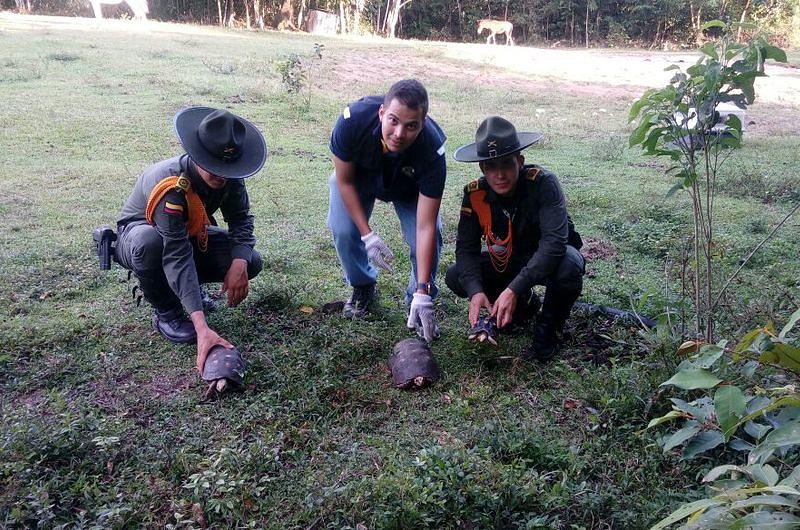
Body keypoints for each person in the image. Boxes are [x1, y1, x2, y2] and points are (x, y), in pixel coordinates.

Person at [115, 106, 267, 373]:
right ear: (197, 156)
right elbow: (176, 252)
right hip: (142, 237)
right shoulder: (172, 185)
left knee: (251, 260)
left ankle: (190, 292)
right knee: (150, 244)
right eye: (213, 167)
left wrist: (239, 262)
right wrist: (202, 327)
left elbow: (241, 219)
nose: (220, 175)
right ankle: (167, 313)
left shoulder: (230, 175)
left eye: (226, 168)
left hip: (187, 234)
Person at [445, 116, 584, 361]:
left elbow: (554, 244)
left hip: (545, 260)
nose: (499, 175)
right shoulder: (475, 193)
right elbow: (466, 249)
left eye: (506, 164)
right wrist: (476, 292)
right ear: (482, 169)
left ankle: (547, 332)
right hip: (507, 260)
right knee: (457, 275)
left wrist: (513, 288)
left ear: (520, 162)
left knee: (570, 264)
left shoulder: (543, 183)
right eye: (491, 167)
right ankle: (521, 307)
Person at [327, 79, 446, 342]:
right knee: (344, 229)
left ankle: (417, 299)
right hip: (359, 178)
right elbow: (344, 181)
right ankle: (362, 286)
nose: (399, 133)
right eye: (393, 120)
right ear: (382, 113)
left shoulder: (432, 148)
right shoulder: (351, 120)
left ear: (423, 124)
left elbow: (425, 225)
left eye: (411, 126)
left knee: (430, 235)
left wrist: (423, 291)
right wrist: (367, 235)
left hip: (410, 189)